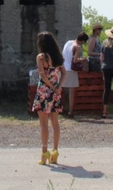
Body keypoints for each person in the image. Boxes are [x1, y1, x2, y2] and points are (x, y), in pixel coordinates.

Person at [31, 31, 66, 166]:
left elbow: (43, 76)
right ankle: (55, 151)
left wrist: (51, 87)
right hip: (56, 92)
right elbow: (64, 73)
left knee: (43, 124)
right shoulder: (57, 57)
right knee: (55, 123)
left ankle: (44, 152)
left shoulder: (41, 57)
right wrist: (59, 87)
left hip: (44, 91)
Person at [61, 32, 88, 118]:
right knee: (71, 92)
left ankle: (60, 108)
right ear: (83, 40)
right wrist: (83, 59)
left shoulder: (68, 42)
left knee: (61, 89)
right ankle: (70, 111)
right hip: (70, 70)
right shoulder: (78, 47)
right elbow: (75, 60)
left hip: (63, 68)